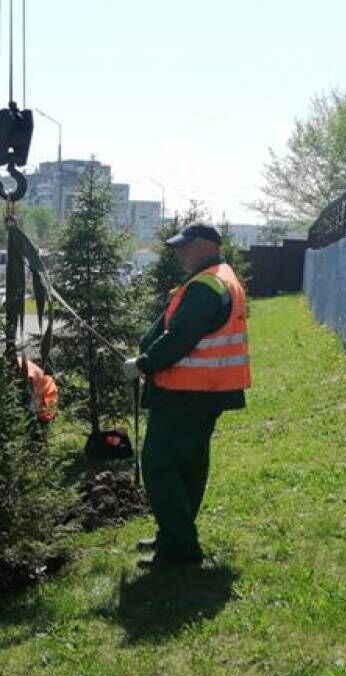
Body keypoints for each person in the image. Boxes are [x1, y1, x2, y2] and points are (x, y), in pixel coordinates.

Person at [121, 223, 251, 568]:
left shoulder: (208, 284)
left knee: (160, 464)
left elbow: (181, 337)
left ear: (206, 246)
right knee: (189, 466)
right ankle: (175, 535)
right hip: (204, 391)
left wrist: (144, 365)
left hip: (186, 392)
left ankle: (179, 547)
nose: (180, 253)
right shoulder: (215, 277)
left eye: (186, 246)